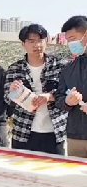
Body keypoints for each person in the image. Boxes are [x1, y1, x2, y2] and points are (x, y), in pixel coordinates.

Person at [5, 24, 69, 155]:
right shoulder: (15, 68)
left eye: (40, 40)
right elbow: (7, 100)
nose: (37, 45)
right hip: (23, 132)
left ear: (46, 41)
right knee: (21, 167)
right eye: (31, 41)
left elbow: (68, 93)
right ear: (23, 44)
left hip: (54, 131)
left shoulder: (60, 65)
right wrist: (12, 92)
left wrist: (50, 97)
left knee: (53, 166)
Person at [56, 15, 87, 158]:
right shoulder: (68, 68)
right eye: (68, 40)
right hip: (76, 137)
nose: (70, 44)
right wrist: (67, 101)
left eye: (73, 38)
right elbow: (59, 97)